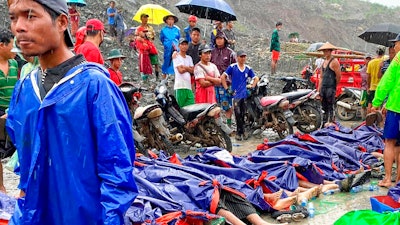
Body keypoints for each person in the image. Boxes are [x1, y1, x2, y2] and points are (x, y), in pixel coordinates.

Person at [8, 1, 138, 224]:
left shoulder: (95, 87)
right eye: (13, 18)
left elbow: (116, 173)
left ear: (61, 22)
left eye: (30, 16)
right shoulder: (24, 89)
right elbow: (27, 168)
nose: (19, 26)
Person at [371, 34, 400, 188]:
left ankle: (388, 178)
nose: (394, 47)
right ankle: (399, 181)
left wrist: (376, 102)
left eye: (396, 44)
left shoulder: (398, 58)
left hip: (396, 107)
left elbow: (386, 81)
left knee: (390, 143)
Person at [221, 50, 258, 141]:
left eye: (244, 57)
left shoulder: (248, 68)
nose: (243, 58)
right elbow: (223, 77)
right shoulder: (233, 67)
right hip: (236, 95)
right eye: (241, 57)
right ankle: (240, 131)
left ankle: (241, 131)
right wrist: (227, 89)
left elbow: (256, 78)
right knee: (237, 114)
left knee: (243, 113)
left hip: (244, 94)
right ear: (237, 57)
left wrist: (253, 86)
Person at [0, 28, 18, 193]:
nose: (15, 49)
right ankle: (1, 186)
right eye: (12, 45)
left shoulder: (14, 64)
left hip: (12, 110)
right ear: (1, 45)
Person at [211, 32, 236, 128]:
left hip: (226, 84)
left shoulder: (230, 53)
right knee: (214, 105)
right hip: (214, 83)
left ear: (224, 40)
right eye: (217, 38)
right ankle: (218, 126)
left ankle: (229, 125)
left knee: (226, 105)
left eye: (221, 38)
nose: (219, 40)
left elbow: (235, 69)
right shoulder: (211, 52)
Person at [317, 42, 341, 125]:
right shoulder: (324, 62)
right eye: (324, 51)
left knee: (330, 105)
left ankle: (330, 122)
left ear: (330, 51)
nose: (325, 53)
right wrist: (318, 89)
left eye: (327, 51)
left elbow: (338, 76)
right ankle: (324, 122)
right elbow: (321, 77)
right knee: (324, 106)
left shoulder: (334, 62)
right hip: (324, 87)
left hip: (330, 87)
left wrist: (334, 85)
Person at [136, 13, 160, 79]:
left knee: (156, 62)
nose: (145, 19)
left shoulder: (150, 28)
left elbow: (153, 37)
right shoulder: (138, 28)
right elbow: (136, 37)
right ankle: (145, 78)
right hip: (143, 48)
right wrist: (141, 38)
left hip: (150, 47)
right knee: (144, 63)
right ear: (141, 18)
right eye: (144, 17)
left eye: (146, 18)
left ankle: (157, 77)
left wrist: (150, 37)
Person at [173, 38, 195, 107]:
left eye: (186, 44)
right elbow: (180, 71)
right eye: (182, 44)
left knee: (191, 106)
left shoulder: (189, 58)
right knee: (180, 107)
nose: (184, 46)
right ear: (179, 46)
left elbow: (193, 70)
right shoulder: (176, 56)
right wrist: (188, 68)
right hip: (180, 86)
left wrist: (185, 67)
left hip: (188, 86)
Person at [366, 46, 385, 113]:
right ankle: (378, 121)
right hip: (381, 87)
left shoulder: (371, 63)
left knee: (370, 104)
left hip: (372, 87)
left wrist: (368, 87)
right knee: (379, 106)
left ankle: (368, 120)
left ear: (376, 52)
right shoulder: (384, 61)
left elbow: (368, 77)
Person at [359, 54, 372, 120]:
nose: (368, 60)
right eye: (367, 59)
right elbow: (366, 79)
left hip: (371, 89)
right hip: (364, 89)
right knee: (363, 105)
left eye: (369, 59)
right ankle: (364, 119)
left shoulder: (372, 68)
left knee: (369, 105)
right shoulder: (362, 70)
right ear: (364, 60)